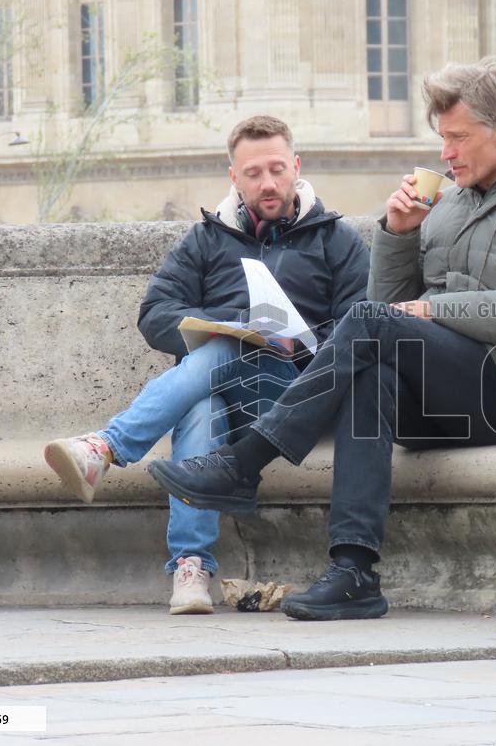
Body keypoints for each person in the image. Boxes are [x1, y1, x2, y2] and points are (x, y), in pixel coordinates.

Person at [148, 60, 496, 622]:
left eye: (458, 138)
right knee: (369, 373)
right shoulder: (448, 203)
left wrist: (433, 307)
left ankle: (244, 463)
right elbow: (385, 310)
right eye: (441, 140)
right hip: (446, 397)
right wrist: (398, 237)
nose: (446, 154)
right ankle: (355, 571)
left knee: (370, 329)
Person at [43, 115, 370, 615]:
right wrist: (229, 322)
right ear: (233, 177)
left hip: (297, 394)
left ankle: (107, 448)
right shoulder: (205, 240)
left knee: (216, 367)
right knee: (206, 394)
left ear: (296, 167)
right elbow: (155, 314)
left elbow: (360, 325)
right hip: (224, 392)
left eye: (277, 169)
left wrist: (300, 344)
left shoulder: (335, 240)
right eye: (254, 172)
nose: (268, 183)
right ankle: (191, 570)